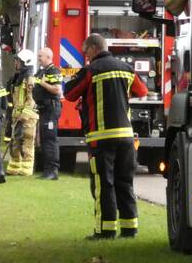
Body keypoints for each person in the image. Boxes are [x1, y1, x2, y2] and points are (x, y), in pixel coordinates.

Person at [63, 34, 148, 240]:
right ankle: (130, 229)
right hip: (126, 138)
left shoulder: (91, 70)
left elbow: (70, 93)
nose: (85, 56)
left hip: (101, 138)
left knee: (103, 185)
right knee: (125, 182)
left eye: (85, 52)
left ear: (93, 49)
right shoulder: (126, 69)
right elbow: (142, 90)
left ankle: (105, 230)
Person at [5, 49, 39, 177]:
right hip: (17, 116)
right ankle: (14, 167)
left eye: (18, 61)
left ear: (25, 62)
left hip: (27, 118)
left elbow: (31, 99)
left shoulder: (30, 78)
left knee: (27, 143)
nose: (16, 63)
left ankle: (26, 169)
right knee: (15, 143)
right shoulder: (18, 78)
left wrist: (24, 116)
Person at [33, 47, 63, 180]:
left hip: (51, 108)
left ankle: (52, 171)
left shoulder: (53, 71)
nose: (39, 59)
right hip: (44, 109)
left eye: (40, 56)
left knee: (50, 140)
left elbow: (56, 89)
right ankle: (47, 170)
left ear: (48, 57)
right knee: (45, 140)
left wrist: (42, 83)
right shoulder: (42, 71)